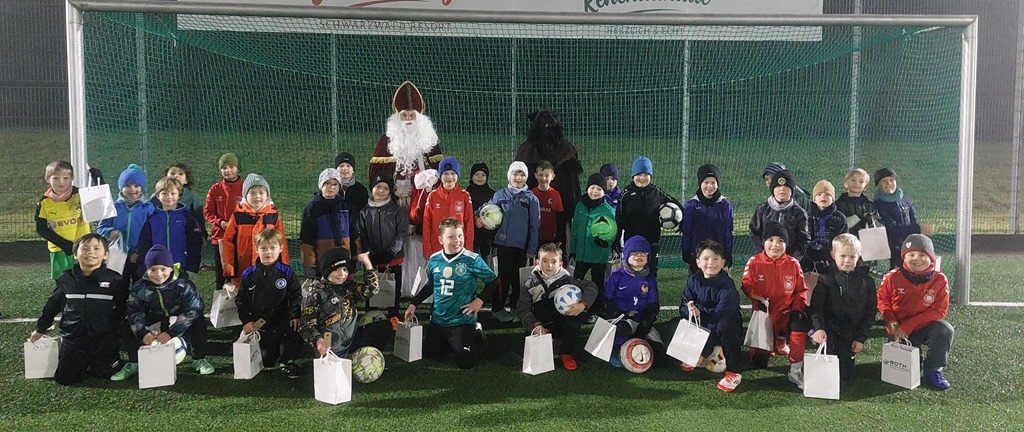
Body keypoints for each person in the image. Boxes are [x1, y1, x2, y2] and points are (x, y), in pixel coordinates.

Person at [367, 81, 443, 302]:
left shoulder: (430, 142)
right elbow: (376, 174)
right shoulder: (386, 142)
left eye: (412, 114)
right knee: (395, 239)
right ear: (396, 117)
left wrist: (430, 182)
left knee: (420, 239)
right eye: (404, 115)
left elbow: (440, 172)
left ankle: (421, 288)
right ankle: (396, 288)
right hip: (395, 200)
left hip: (422, 200)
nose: (408, 118)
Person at [29, 233, 128, 385]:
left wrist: (117, 334)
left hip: (104, 341)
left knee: (105, 375)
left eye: (96, 248)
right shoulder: (66, 278)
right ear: (75, 254)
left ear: (105, 254)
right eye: (85, 248)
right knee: (65, 380)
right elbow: (52, 305)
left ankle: (102, 362)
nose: (91, 252)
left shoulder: (115, 279)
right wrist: (41, 328)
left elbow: (123, 308)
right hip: (74, 340)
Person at [404, 218, 498, 369]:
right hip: (439, 319)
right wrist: (413, 303)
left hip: (462, 320)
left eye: (460, 236)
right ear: (441, 239)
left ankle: (476, 335)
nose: (457, 240)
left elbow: (493, 281)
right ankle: (452, 341)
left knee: (466, 363)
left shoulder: (472, 259)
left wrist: (480, 300)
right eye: (451, 237)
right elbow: (430, 286)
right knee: (431, 353)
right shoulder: (434, 259)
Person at [112, 244, 213, 380]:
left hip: (179, 319)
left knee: (199, 321)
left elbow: (194, 309)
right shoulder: (139, 287)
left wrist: (173, 332)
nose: (158, 274)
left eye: (163, 269)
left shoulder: (184, 285)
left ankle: (199, 359)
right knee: (127, 325)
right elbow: (134, 311)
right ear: (146, 270)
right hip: (156, 318)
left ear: (171, 268)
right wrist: (143, 333)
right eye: (153, 269)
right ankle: (134, 362)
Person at [877, 234, 954, 390]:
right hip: (898, 328)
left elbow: (939, 310)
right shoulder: (892, 277)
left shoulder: (939, 279)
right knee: (908, 369)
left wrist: (910, 325)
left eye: (922, 255)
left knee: (945, 330)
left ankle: (933, 369)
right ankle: (914, 361)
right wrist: (892, 323)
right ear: (904, 258)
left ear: (931, 258)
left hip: (924, 327)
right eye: (911, 255)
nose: (916, 259)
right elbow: (882, 301)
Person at [669, 240, 744, 392]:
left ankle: (734, 371)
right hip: (703, 324)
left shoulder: (727, 285)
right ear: (698, 262)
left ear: (723, 262)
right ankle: (707, 351)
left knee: (726, 325)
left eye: (716, 259)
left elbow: (721, 314)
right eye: (706, 258)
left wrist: (700, 313)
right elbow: (683, 306)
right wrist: (689, 310)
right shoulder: (693, 280)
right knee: (675, 323)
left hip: (720, 328)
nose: (711, 263)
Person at [741, 221, 808, 390]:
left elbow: (801, 290)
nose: (775, 245)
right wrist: (758, 300)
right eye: (770, 240)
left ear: (786, 243)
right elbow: (746, 285)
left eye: (780, 241)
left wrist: (797, 309)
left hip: (786, 314)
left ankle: (795, 368)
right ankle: (765, 345)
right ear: (763, 242)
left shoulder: (793, 263)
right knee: (759, 363)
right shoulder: (755, 262)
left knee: (799, 324)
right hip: (765, 315)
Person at [516, 243, 598, 371]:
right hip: (541, 322)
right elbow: (523, 309)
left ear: (560, 264)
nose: (549, 265)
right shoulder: (529, 284)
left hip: (563, 320)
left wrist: (583, 305)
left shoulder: (567, 280)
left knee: (573, 326)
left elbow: (591, 286)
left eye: (553, 261)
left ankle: (566, 353)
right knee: (522, 349)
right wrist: (535, 326)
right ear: (538, 262)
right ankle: (546, 338)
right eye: (545, 261)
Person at [236, 229, 304, 378]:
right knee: (267, 361)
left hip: (283, 322)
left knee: (294, 329)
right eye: (264, 248)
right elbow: (241, 300)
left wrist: (294, 315)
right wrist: (247, 321)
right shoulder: (249, 274)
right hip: (259, 325)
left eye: (272, 248)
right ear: (256, 249)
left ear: (280, 249)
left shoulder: (287, 272)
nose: (268, 252)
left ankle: (288, 361)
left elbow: (296, 296)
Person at [809, 234, 877, 382]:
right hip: (830, 331)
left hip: (851, 333)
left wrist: (860, 338)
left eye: (852, 257)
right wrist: (819, 328)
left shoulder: (867, 281)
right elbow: (816, 307)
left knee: (844, 375)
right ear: (833, 254)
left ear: (859, 256)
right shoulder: (825, 278)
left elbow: (870, 312)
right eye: (843, 256)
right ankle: (816, 340)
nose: (847, 260)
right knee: (827, 373)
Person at [479, 161, 540, 323]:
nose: (518, 178)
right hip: (503, 245)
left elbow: (535, 226)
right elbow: (488, 208)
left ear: (526, 177)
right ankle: (498, 309)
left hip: (522, 248)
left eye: (521, 175)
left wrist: (532, 248)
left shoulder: (531, 199)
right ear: (509, 176)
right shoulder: (501, 195)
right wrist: (478, 215)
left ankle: (516, 307)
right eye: (515, 174)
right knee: (502, 279)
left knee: (518, 280)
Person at [300, 247, 384, 358]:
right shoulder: (315, 295)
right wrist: (318, 341)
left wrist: (368, 265)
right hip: (330, 349)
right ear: (327, 271)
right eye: (336, 269)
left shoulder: (349, 288)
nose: (342, 274)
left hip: (351, 341)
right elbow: (306, 326)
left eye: (345, 269)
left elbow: (372, 289)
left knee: (382, 326)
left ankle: (365, 358)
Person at [602, 235, 664, 369]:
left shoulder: (650, 279)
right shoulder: (617, 276)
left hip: (641, 320)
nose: (638, 256)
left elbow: (653, 304)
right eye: (634, 253)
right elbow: (605, 300)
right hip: (622, 319)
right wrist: (616, 313)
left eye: (643, 253)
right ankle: (616, 351)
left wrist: (646, 322)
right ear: (626, 255)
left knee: (660, 359)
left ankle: (639, 341)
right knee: (622, 330)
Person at [615, 156, 681, 276]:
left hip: (652, 240)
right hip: (632, 239)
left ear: (650, 176)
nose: (642, 178)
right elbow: (619, 218)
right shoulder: (626, 194)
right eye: (638, 174)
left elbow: (675, 203)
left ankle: (651, 293)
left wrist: (681, 221)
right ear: (633, 176)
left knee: (652, 269)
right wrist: (616, 240)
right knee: (632, 269)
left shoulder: (657, 192)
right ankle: (632, 293)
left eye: (646, 174)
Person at [221, 173, 289, 287]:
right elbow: (228, 243)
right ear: (245, 196)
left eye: (261, 193)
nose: (257, 196)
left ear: (267, 195)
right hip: (242, 272)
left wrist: (284, 267)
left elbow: (282, 244)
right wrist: (229, 270)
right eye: (252, 193)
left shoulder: (274, 217)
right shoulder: (237, 217)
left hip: (270, 271)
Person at [357, 172, 409, 318]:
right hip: (372, 262)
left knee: (393, 293)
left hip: (393, 259)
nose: (381, 191)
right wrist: (369, 254)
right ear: (372, 188)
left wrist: (391, 252)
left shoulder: (396, 210)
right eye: (378, 187)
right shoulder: (364, 212)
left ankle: (393, 322)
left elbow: (401, 233)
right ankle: (371, 322)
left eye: (385, 188)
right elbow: (362, 235)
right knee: (371, 292)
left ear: (390, 191)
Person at [135, 176, 204, 279]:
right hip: (158, 271)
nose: (169, 197)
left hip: (182, 268)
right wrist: (144, 268)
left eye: (173, 193)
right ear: (158, 196)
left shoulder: (188, 218)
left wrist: (192, 269)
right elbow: (144, 245)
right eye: (164, 193)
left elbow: (195, 245)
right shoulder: (152, 219)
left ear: (179, 195)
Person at [97, 164, 155, 282]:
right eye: (127, 185)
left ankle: (138, 301)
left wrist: (138, 252)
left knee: (140, 283)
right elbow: (101, 228)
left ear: (142, 188)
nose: (132, 189)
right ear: (121, 188)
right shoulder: (112, 206)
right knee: (118, 285)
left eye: (136, 185)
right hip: (117, 255)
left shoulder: (148, 208)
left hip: (139, 256)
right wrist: (110, 232)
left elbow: (151, 233)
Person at [36, 160, 90, 280]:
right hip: (60, 250)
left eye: (65, 178)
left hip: (84, 247)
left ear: (72, 178)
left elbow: (101, 206)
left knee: (85, 282)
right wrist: (65, 245)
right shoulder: (44, 202)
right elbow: (41, 228)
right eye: (56, 178)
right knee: (64, 283)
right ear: (47, 178)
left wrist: (99, 181)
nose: (61, 182)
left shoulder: (81, 195)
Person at [680, 164, 734, 274]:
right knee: (697, 287)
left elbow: (728, 231)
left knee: (721, 286)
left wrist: (728, 252)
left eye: (713, 182)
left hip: (718, 256)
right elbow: (687, 231)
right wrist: (686, 251)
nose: (710, 186)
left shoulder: (725, 205)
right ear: (700, 184)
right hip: (698, 256)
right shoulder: (691, 206)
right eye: (706, 182)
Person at [749, 169, 810, 267]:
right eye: (778, 186)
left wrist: (792, 260)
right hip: (765, 262)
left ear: (792, 190)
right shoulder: (762, 209)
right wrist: (762, 256)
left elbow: (803, 239)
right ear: (772, 189)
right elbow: (755, 233)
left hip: (788, 264)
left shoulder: (799, 213)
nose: (782, 189)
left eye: (786, 186)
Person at [300, 168, 351, 280]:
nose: (331, 187)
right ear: (321, 185)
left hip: (343, 261)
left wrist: (353, 258)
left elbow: (353, 233)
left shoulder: (345, 207)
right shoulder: (312, 209)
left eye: (335, 184)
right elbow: (307, 241)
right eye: (327, 183)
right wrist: (310, 266)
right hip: (323, 263)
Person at [203, 153, 244, 291]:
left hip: (240, 237)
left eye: (231, 166)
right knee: (222, 273)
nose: (228, 170)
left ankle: (242, 305)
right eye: (224, 168)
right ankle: (220, 308)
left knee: (240, 271)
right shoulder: (215, 189)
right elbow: (208, 212)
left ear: (238, 168)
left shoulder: (246, 188)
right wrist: (220, 222)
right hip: (220, 238)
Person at [422, 156, 474, 259]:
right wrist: (427, 251)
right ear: (440, 176)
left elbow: (469, 224)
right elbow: (426, 224)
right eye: (445, 173)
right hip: (437, 249)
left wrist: (468, 250)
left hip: (458, 248)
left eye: (453, 173)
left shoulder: (464, 196)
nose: (449, 177)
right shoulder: (433, 196)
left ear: (458, 175)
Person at [570, 173, 615, 292]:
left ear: (604, 192)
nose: (595, 191)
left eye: (599, 189)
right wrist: (573, 250)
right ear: (587, 188)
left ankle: (597, 305)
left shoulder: (609, 211)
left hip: (598, 255)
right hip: (582, 254)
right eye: (592, 188)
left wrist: (606, 242)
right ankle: (575, 303)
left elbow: (613, 231)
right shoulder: (580, 206)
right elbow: (575, 229)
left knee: (598, 282)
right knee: (576, 281)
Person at [873, 168, 922, 270]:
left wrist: (915, 233)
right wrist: (918, 228)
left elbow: (913, 219)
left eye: (891, 180)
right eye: (884, 181)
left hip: (909, 244)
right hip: (892, 247)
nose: (889, 183)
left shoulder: (905, 200)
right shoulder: (878, 205)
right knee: (898, 272)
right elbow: (891, 229)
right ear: (878, 185)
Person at [804, 179, 848, 273]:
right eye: (819, 194)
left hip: (831, 259)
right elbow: (803, 237)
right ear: (814, 199)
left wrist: (830, 253)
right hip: (808, 259)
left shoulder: (839, 218)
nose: (823, 196)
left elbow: (842, 241)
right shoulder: (806, 216)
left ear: (833, 199)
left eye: (827, 194)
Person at [157, 162, 206, 240]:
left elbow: (199, 218)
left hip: (186, 238)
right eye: (173, 173)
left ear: (186, 180)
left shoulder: (192, 196)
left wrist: (202, 235)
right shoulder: (156, 196)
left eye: (181, 174)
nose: (176, 176)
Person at [335, 152, 369, 253]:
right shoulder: (331, 188)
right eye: (341, 166)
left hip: (355, 236)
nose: (345, 169)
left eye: (348, 166)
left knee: (353, 266)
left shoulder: (361, 190)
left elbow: (365, 214)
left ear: (353, 170)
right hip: (335, 236)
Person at [532, 160, 565, 254]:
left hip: (551, 238)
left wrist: (559, 238)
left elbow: (560, 218)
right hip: (535, 237)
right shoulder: (531, 194)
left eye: (547, 175)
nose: (543, 178)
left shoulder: (555, 194)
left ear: (553, 177)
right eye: (541, 175)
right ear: (535, 175)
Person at [465, 162, 496, 257]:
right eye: (476, 174)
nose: (480, 177)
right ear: (471, 177)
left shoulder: (492, 194)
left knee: (485, 259)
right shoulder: (466, 194)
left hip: (487, 235)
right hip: (471, 234)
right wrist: (474, 218)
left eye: (483, 175)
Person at [835, 168, 876, 238]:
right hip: (847, 241)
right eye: (853, 180)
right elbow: (839, 225)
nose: (857, 183)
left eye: (861, 181)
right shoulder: (839, 204)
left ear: (865, 187)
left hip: (867, 242)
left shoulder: (870, 205)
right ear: (846, 183)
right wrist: (857, 219)